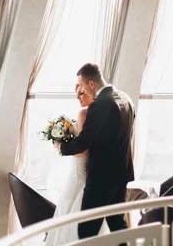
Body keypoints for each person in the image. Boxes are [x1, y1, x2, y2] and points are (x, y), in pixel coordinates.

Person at [55, 63, 135, 240]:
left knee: (87, 231)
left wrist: (62, 147)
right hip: (121, 175)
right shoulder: (126, 99)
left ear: (91, 84)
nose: (81, 90)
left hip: (101, 179)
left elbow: (83, 143)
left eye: (82, 86)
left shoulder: (100, 105)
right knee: (117, 224)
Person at [44, 84, 93, 245]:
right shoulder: (99, 115)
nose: (78, 97)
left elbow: (83, 150)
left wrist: (60, 146)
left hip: (79, 172)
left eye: (82, 93)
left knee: (70, 217)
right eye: (76, 93)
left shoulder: (84, 113)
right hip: (82, 171)